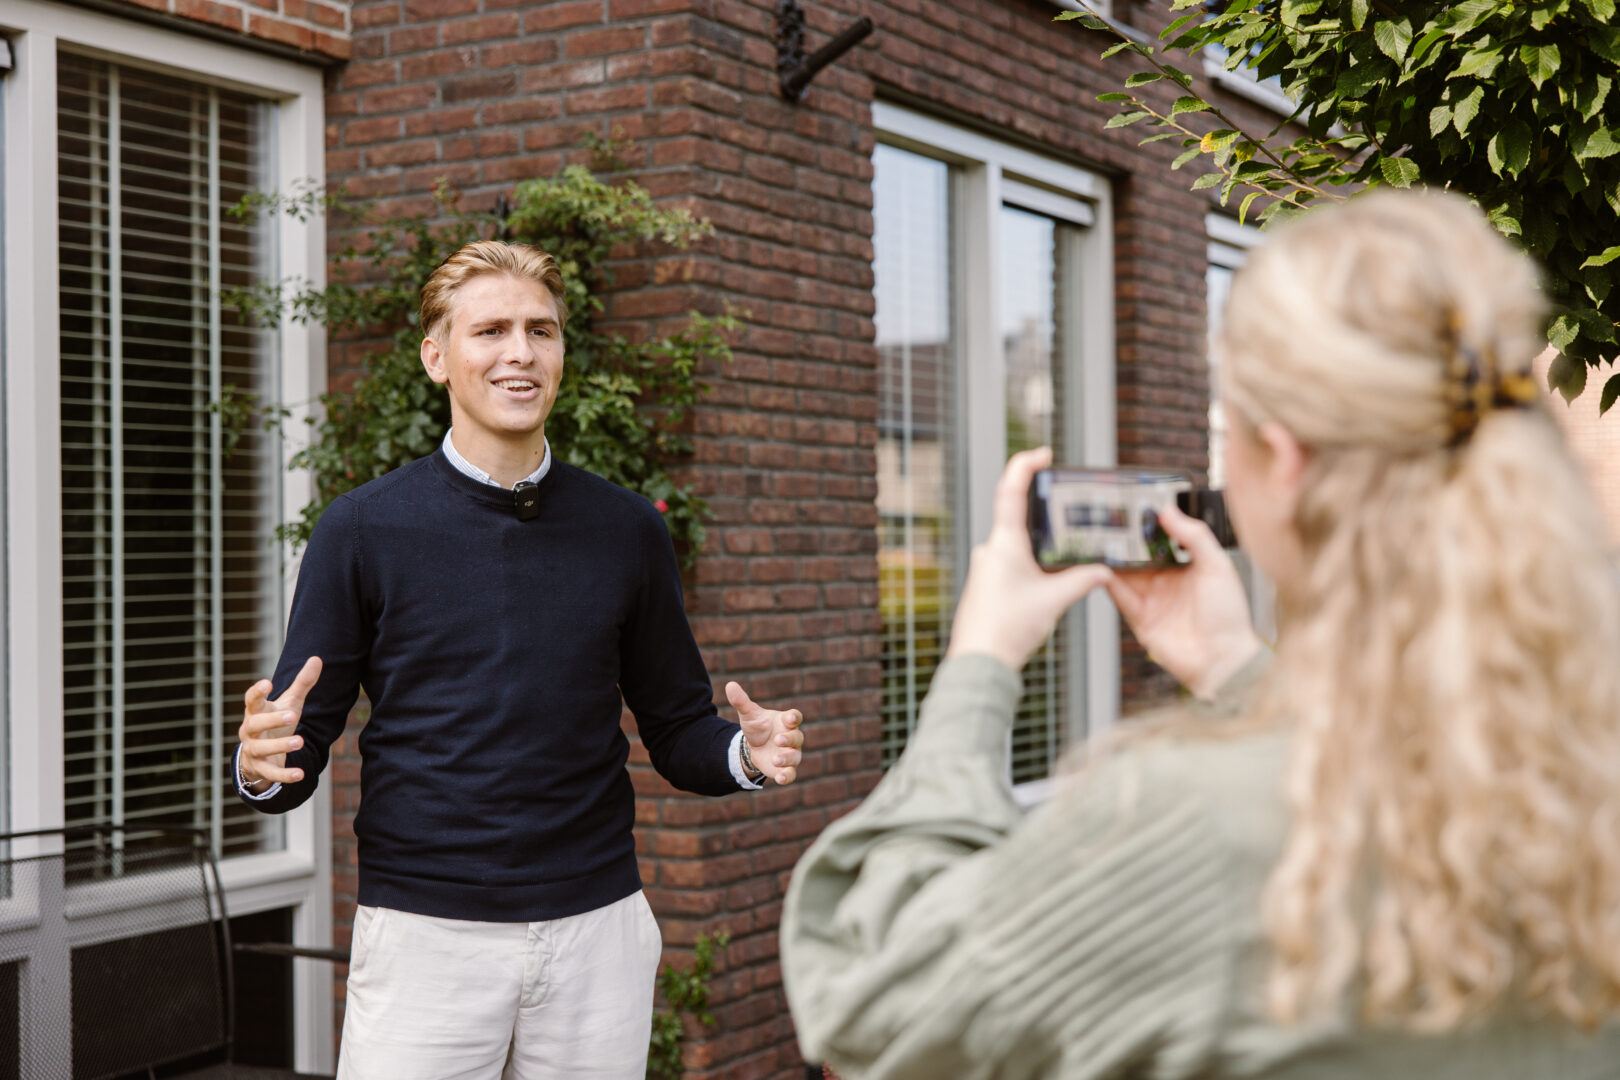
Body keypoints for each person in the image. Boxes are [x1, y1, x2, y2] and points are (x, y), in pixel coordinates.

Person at [780, 190, 1620, 1078]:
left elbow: (871, 1004)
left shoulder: (1191, 825)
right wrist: (1234, 665)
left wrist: (980, 664)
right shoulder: (1580, 755)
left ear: (1285, 459)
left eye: (1230, 435)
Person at [233, 240, 807, 1079]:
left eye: (541, 330)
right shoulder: (361, 531)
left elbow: (679, 727)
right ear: (438, 357)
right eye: (491, 330)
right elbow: (294, 749)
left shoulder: (627, 531)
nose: (520, 352)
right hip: (427, 942)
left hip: (596, 937)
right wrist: (260, 763)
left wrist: (744, 756)